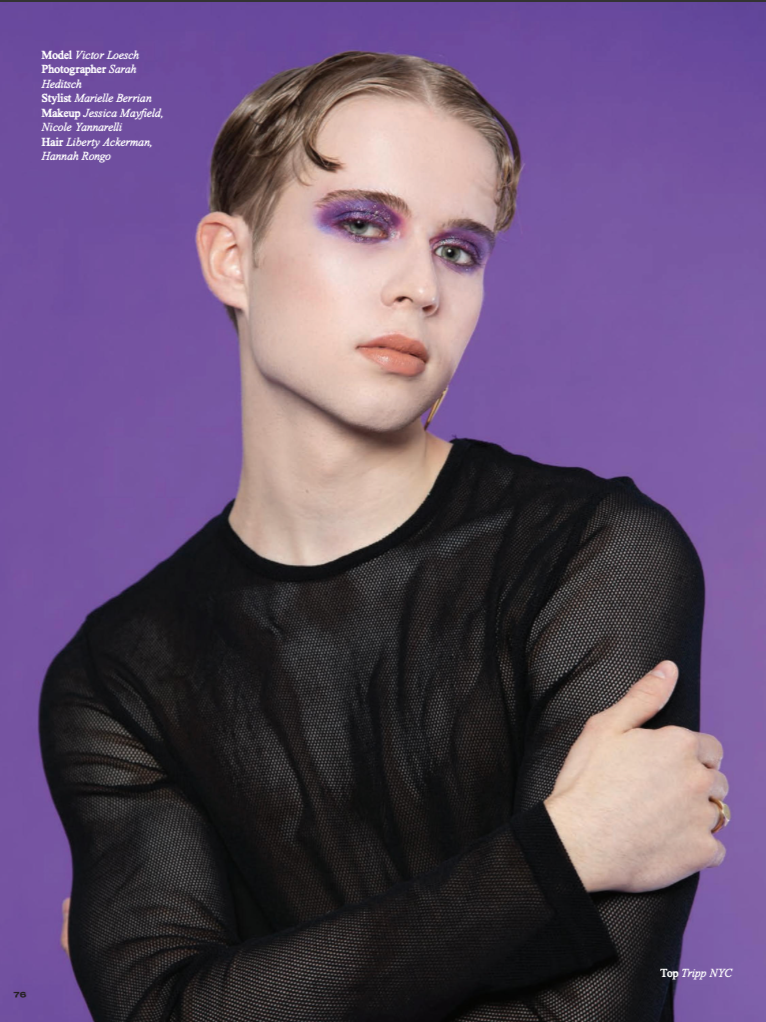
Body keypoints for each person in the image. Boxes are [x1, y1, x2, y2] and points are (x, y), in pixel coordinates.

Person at [41, 51, 729, 1021]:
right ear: (229, 258)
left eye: (460, 248)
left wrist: (254, 983)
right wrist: (561, 853)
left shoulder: (595, 553)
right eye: (363, 224)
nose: (421, 287)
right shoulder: (120, 670)